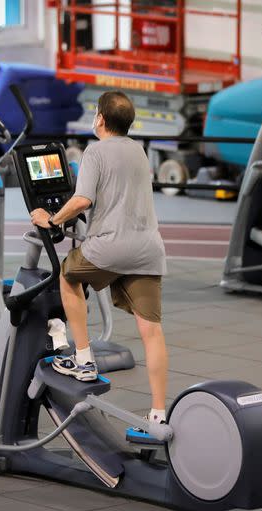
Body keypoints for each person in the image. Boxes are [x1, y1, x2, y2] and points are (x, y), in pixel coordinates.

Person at [30, 91, 169, 433]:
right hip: (148, 248)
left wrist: (52, 219)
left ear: (101, 120)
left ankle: (83, 359)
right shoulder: (139, 150)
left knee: (67, 276)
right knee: (151, 331)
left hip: (109, 248)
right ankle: (158, 414)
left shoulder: (95, 151)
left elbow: (82, 200)